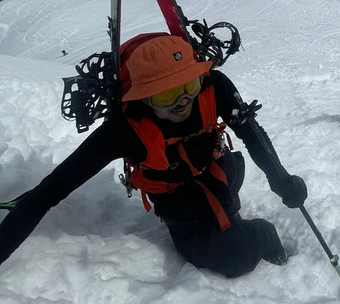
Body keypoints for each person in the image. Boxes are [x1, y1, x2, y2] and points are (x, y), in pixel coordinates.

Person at [0, 34, 307, 278]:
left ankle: (255, 233)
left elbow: (252, 134)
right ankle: (256, 234)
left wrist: (281, 180)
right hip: (173, 193)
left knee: (227, 222)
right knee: (229, 256)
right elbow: (47, 194)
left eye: (189, 84)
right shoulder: (126, 128)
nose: (182, 101)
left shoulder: (215, 87)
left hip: (219, 168)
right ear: (143, 97)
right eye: (165, 95)